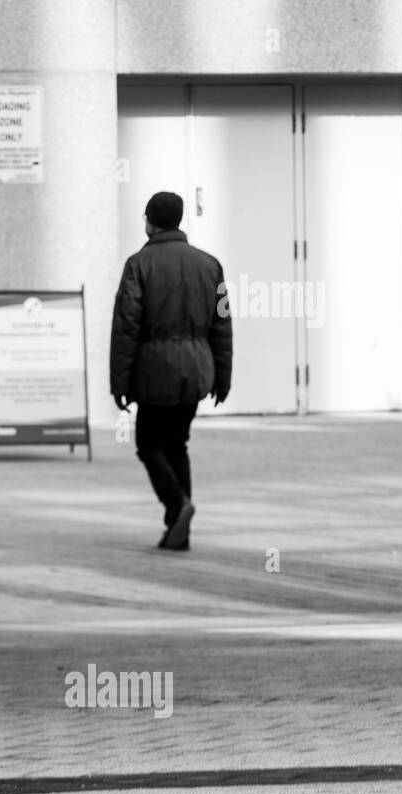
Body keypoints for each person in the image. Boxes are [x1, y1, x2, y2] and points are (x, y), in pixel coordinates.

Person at [110, 191, 233, 551]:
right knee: (177, 444)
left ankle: (178, 506)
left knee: (149, 445)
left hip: (155, 372)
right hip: (196, 370)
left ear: (148, 221)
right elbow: (222, 324)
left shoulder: (138, 265)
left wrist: (120, 383)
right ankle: (179, 530)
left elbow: (126, 327)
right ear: (179, 221)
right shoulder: (211, 266)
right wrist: (222, 378)